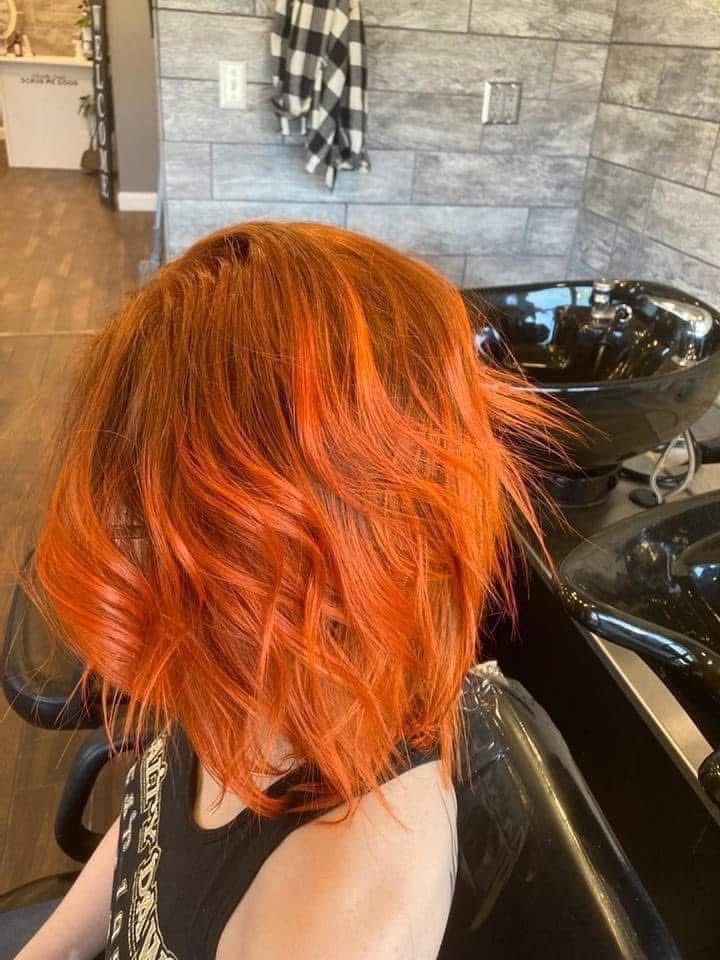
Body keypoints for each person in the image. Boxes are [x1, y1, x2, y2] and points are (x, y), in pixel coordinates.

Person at [15, 221, 557, 960]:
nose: (121, 530)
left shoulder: (333, 917)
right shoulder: (247, 658)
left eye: (158, 508)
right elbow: (147, 833)